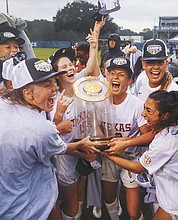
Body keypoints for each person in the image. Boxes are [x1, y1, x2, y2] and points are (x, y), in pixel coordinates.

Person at [0, 58, 100, 220]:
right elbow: (62, 148)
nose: (55, 89)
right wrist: (82, 144)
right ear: (27, 93)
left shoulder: (5, 104)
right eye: (47, 85)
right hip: (28, 210)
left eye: (54, 82)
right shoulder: (40, 129)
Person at [102, 90, 178, 220]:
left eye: (149, 111)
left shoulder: (164, 143)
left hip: (175, 204)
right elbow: (153, 135)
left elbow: (137, 167)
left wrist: (107, 154)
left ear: (165, 115)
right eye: (144, 108)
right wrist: (125, 142)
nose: (143, 114)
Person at [49, 22, 105, 220]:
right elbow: (47, 134)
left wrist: (95, 39)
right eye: (64, 67)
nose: (70, 67)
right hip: (66, 156)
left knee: (81, 189)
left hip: (84, 150)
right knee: (70, 207)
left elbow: (90, 66)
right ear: (57, 74)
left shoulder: (80, 82)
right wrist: (58, 119)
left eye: (71, 64)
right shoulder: (53, 99)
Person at [100, 56, 150, 220]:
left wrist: (127, 143)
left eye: (121, 75)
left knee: (133, 212)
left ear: (129, 80)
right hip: (109, 156)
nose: (115, 77)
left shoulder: (136, 104)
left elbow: (148, 135)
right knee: (109, 199)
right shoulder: (99, 102)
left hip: (131, 157)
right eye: (112, 73)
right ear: (106, 76)